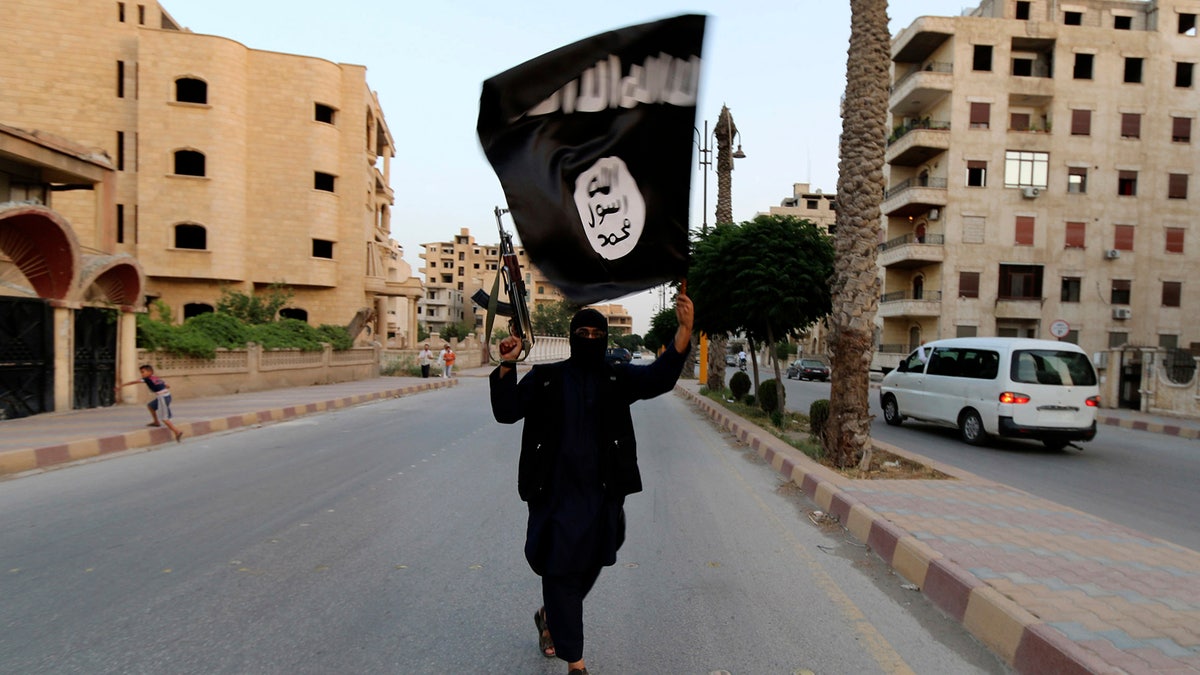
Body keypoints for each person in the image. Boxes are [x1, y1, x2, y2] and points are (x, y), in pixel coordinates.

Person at [490, 293, 694, 675]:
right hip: (553, 497)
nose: (588, 338)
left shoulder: (616, 378)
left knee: (597, 556)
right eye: (581, 332)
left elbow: (659, 378)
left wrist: (684, 330)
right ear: (571, 337)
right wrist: (507, 362)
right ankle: (576, 662)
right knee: (560, 570)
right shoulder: (547, 378)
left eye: (595, 333)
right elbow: (506, 412)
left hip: (602, 496)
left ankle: (551, 614)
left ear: (604, 339)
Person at [117, 364, 184, 442]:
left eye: (143, 372)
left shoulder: (147, 379)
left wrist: (121, 386)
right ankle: (156, 422)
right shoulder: (156, 378)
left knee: (164, 418)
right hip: (166, 396)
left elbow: (133, 382)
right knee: (151, 406)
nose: (142, 374)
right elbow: (167, 385)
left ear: (150, 372)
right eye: (141, 372)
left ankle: (177, 432)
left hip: (163, 398)